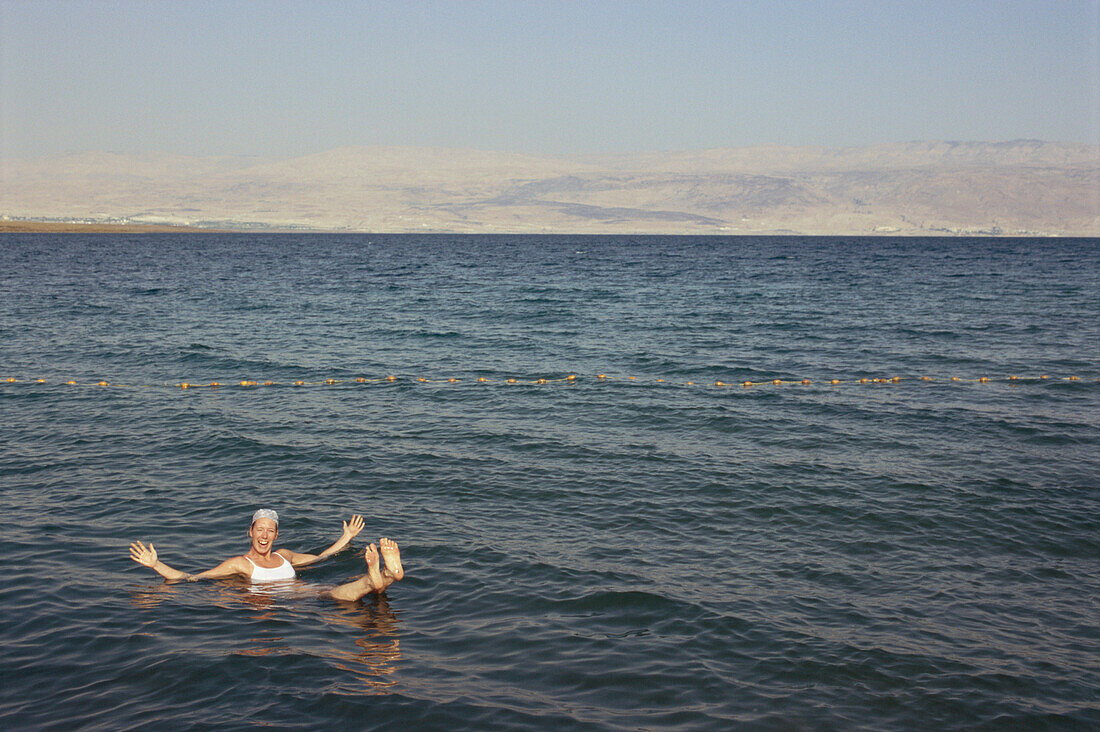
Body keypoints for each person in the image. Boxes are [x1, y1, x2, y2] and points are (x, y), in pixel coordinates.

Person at [128, 509, 404, 601]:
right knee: (344, 594)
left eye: (269, 531)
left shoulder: (285, 555)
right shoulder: (240, 564)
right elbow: (193, 579)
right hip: (299, 603)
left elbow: (321, 557)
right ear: (250, 532)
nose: (264, 535)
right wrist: (157, 565)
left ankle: (387, 574)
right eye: (259, 529)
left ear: (276, 535)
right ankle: (380, 577)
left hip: (310, 591)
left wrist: (346, 537)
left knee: (345, 591)